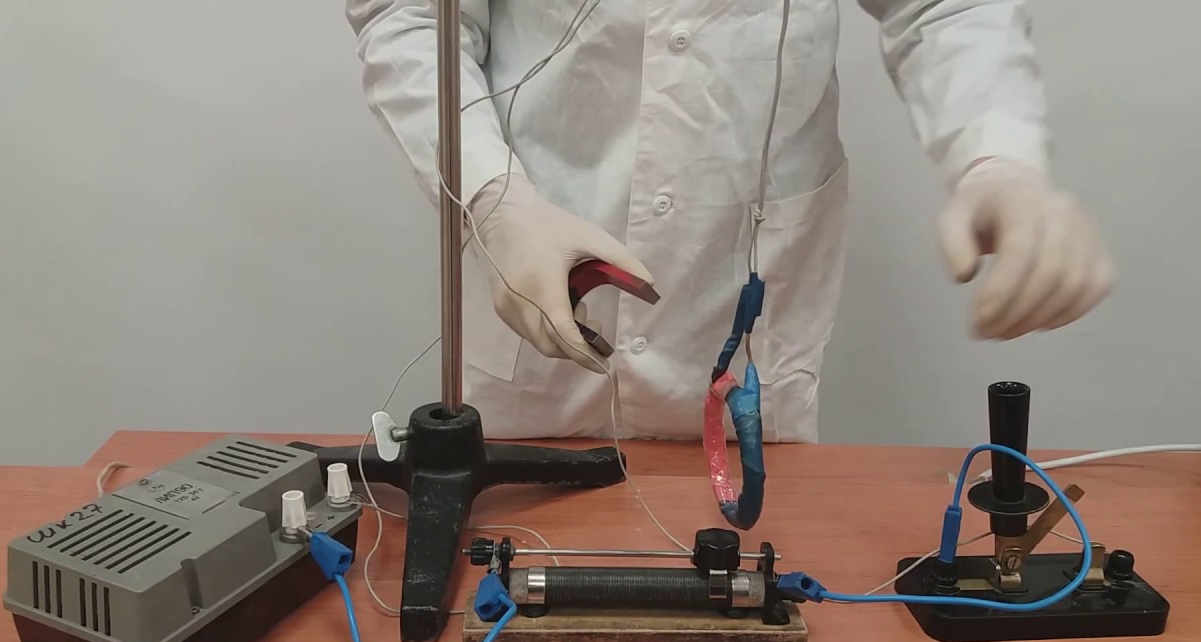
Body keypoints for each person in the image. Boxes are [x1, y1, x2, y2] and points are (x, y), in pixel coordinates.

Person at [346, 1, 1114, 441]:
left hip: (745, 307)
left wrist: (997, 155)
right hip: (538, 283)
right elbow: (407, 13)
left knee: (750, 595)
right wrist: (494, 199)